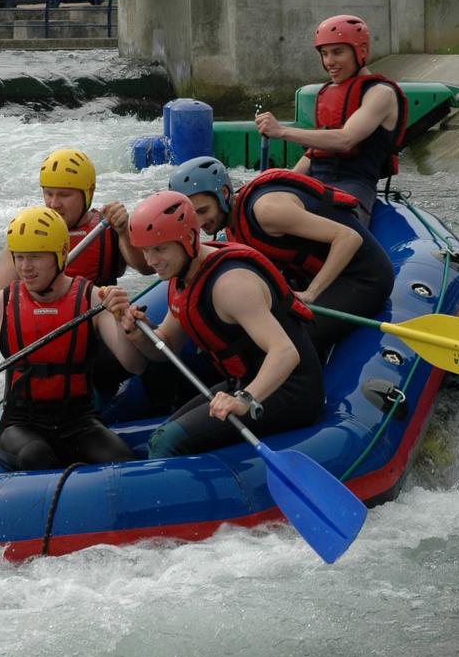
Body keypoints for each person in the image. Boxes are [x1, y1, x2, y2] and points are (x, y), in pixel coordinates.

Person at [0, 206, 144, 471]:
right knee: (37, 457)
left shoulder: (93, 299)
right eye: (19, 258)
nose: (25, 268)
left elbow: (134, 365)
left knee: (124, 463)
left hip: (80, 422)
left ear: (60, 255)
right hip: (21, 424)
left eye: (35, 257)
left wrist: (126, 325)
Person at [117, 190, 323, 459]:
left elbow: (285, 353)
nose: (151, 261)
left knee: (167, 442)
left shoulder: (231, 285)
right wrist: (135, 331)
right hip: (244, 380)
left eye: (160, 248)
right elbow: (164, 347)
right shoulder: (184, 277)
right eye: (146, 250)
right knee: (166, 434)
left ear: (189, 239)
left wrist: (244, 400)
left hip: (290, 390)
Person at [169, 156, 395, 361]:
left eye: (202, 211)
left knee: (294, 338)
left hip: (363, 277)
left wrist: (312, 293)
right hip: (317, 275)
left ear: (224, 194)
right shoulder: (234, 226)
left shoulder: (267, 211)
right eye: (191, 215)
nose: (198, 223)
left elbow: (348, 238)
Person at [254, 14, 408, 224]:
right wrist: (280, 181)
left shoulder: (381, 93)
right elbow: (313, 155)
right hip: (316, 183)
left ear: (361, 51)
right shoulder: (333, 93)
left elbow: (345, 140)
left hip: (354, 185)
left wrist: (281, 131)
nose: (329, 62)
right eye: (324, 54)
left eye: (337, 52)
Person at [0, 147, 152, 292]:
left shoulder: (110, 228)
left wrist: (124, 232)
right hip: (43, 323)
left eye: (64, 195)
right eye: (48, 193)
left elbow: (147, 268)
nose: (54, 204)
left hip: (96, 320)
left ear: (89, 192)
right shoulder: (27, 232)